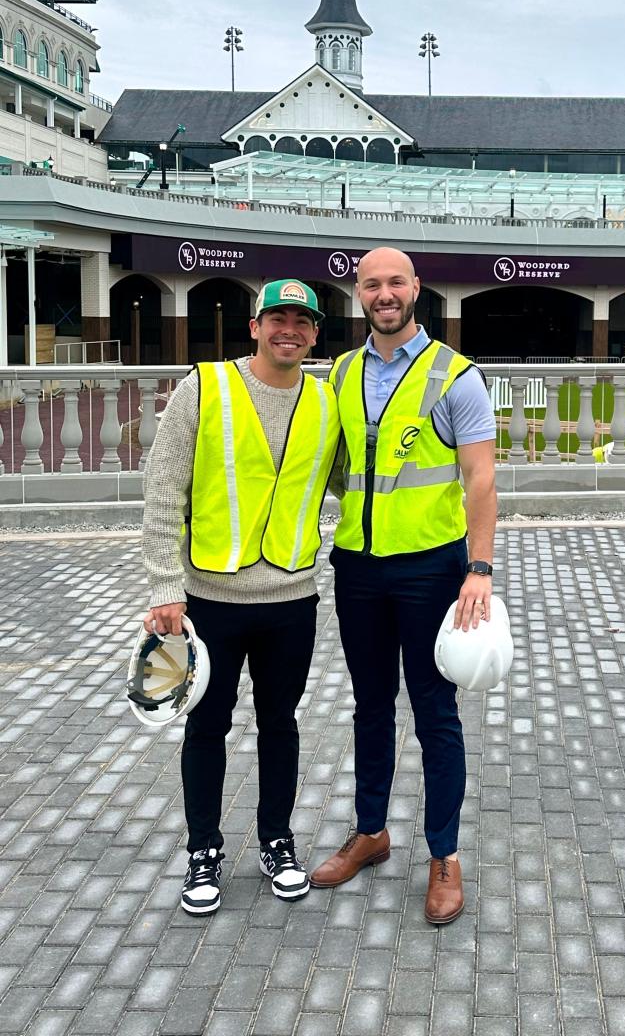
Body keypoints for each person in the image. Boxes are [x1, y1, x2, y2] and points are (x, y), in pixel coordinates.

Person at [309, 246, 497, 925]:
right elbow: (327, 467)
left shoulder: (455, 376)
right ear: (357, 295)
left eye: (395, 282)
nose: (383, 294)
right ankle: (372, 833)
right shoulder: (340, 372)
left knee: (434, 713)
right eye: (371, 285)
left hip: (430, 569)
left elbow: (480, 477)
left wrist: (479, 568)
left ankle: (444, 854)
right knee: (369, 707)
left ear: (416, 289)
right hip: (357, 566)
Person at [141, 279, 341, 916]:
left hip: (292, 596)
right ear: (254, 326)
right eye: (277, 318)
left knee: (281, 725)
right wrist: (165, 589)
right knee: (207, 724)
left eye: (302, 321)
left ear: (315, 333)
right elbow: (164, 492)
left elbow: (348, 482)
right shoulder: (204, 388)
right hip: (210, 599)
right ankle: (204, 849)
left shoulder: (327, 399)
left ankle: (277, 841)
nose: (290, 330)